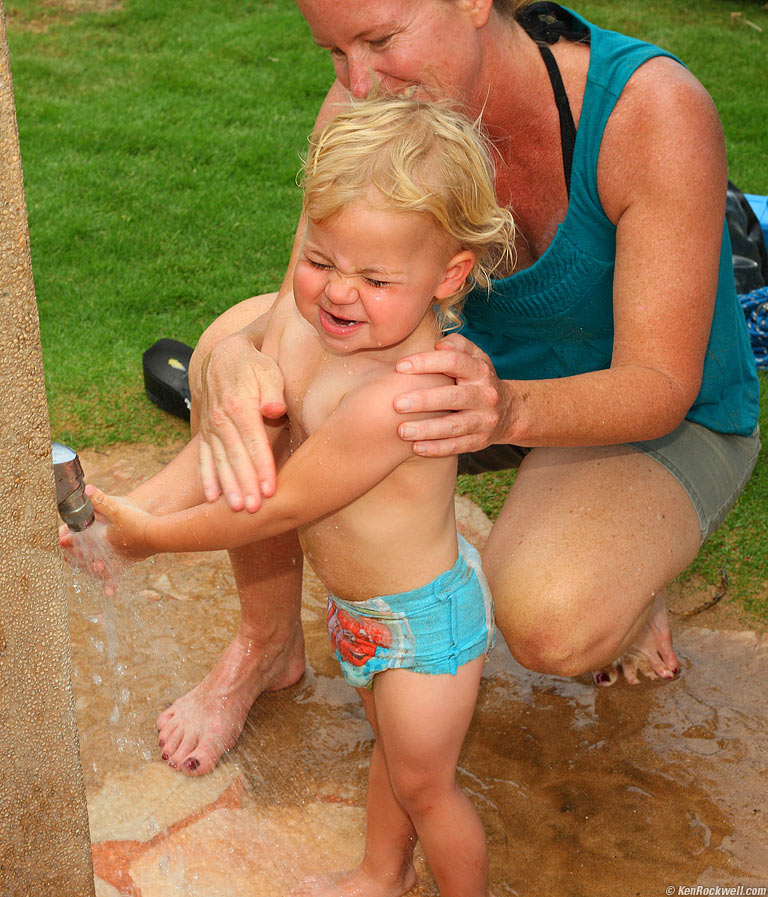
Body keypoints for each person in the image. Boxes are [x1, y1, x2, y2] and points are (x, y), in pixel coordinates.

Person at [102, 0, 764, 776]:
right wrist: (222, 366)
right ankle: (265, 644)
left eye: (381, 40)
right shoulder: (364, 103)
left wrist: (508, 408)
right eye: (334, 53)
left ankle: (630, 559)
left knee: (553, 618)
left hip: (644, 410)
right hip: (463, 382)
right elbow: (295, 306)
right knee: (240, 356)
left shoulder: (650, 111)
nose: (358, 81)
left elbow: (661, 384)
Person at [62, 94, 516, 897]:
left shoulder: (402, 396)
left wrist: (146, 537)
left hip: (422, 628)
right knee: (391, 756)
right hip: (361, 614)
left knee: (427, 788)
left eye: (377, 277)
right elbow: (230, 452)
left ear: (448, 276)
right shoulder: (302, 331)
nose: (339, 293)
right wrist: (125, 506)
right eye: (319, 258)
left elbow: (275, 504)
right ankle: (382, 872)